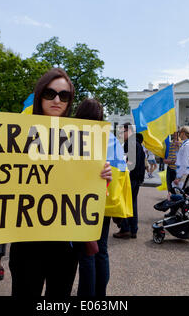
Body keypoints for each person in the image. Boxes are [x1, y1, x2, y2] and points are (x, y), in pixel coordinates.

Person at [0, 68, 112, 297]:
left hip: (65, 246)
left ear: (70, 100)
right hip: (28, 244)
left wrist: (102, 179)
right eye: (50, 93)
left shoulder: (80, 138)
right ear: (40, 95)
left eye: (64, 95)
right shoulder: (16, 133)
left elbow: (87, 193)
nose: (57, 100)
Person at [74, 98, 111, 297]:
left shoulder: (75, 136)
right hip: (102, 200)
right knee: (100, 251)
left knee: (87, 255)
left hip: (81, 202)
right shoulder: (106, 137)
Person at [113, 122, 145, 239]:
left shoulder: (130, 143)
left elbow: (128, 163)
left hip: (130, 178)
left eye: (123, 132)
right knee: (132, 204)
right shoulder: (136, 143)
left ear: (129, 131)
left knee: (125, 203)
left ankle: (126, 228)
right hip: (137, 178)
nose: (121, 134)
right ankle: (133, 229)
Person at [163, 132, 180, 197]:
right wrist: (169, 161)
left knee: (177, 188)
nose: (174, 133)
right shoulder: (169, 143)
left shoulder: (181, 143)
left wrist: (171, 161)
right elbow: (166, 158)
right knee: (169, 187)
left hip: (177, 169)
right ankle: (171, 201)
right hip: (170, 168)